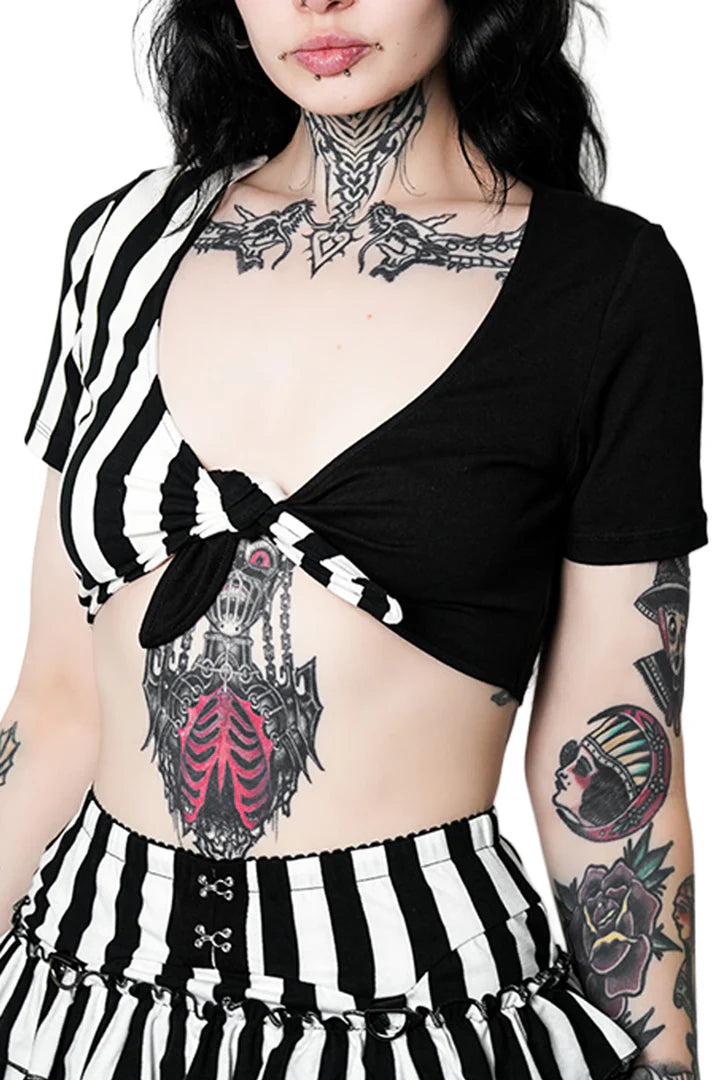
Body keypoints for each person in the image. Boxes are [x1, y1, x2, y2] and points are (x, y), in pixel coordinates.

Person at [0, 0, 707, 1077]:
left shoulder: (604, 283)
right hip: (77, 998)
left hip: (416, 1014)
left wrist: (665, 1064)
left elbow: (610, 756)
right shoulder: (122, 247)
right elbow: (53, 709)